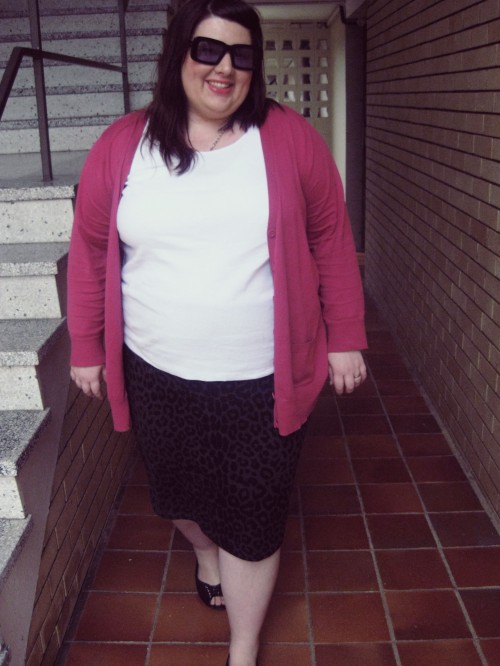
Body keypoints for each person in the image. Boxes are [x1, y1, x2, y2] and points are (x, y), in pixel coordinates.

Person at [67, 0, 367, 663]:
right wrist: (87, 346)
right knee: (177, 494)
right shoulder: (124, 145)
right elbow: (90, 251)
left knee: (255, 515)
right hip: (156, 371)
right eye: (208, 50)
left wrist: (346, 335)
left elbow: (331, 240)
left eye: (241, 54)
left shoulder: (288, 139)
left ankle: (242, 646)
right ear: (178, 54)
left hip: (263, 378)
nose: (224, 68)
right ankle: (205, 552)